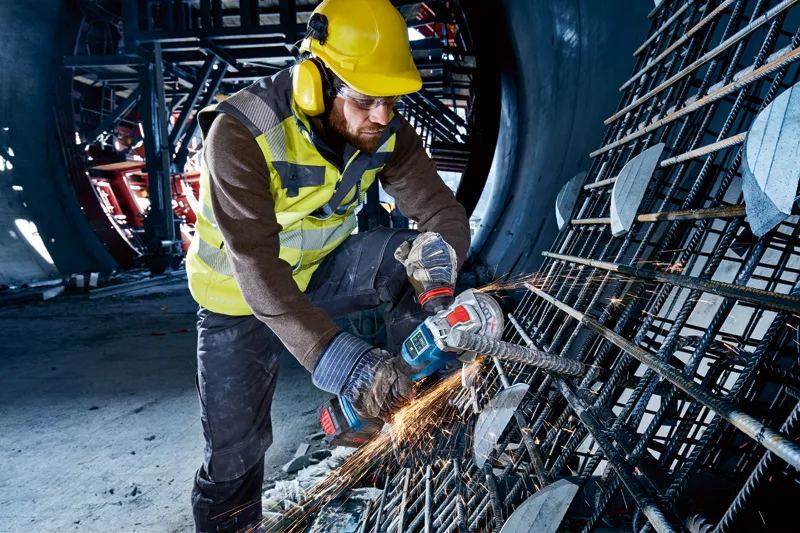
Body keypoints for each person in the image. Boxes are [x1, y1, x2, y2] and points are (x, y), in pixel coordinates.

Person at [184, 0, 470, 531]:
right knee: (234, 452)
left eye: (390, 101)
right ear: (316, 81)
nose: (382, 117)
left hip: (319, 272)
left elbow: (440, 211)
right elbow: (257, 270)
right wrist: (343, 362)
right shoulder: (241, 133)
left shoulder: (381, 129)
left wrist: (442, 258)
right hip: (237, 297)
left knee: (411, 258)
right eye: (366, 101)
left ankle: (420, 408)